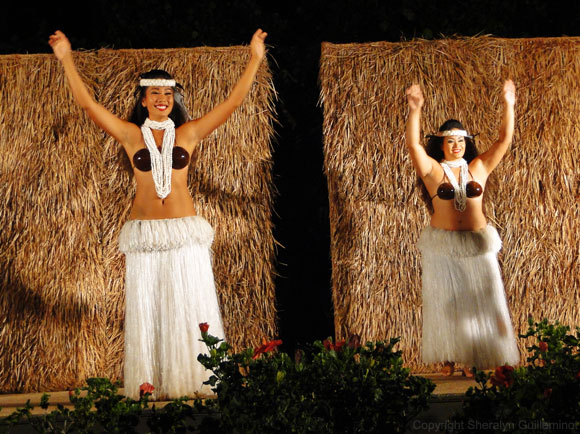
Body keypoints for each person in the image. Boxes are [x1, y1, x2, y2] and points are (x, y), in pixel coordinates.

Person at [49, 29, 267, 399]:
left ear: (173, 98)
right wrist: (67, 59)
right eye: (155, 93)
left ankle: (197, 380)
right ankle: (152, 384)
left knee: (190, 307)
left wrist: (255, 59)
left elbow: (233, 102)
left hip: (183, 233)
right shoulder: (131, 135)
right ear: (144, 99)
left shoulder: (189, 133)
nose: (163, 99)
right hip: (146, 234)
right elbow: (88, 106)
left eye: (168, 93)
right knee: (150, 311)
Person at [405, 81, 520, 376]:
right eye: (450, 141)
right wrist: (415, 109)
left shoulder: (479, 167)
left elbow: (505, 140)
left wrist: (509, 103)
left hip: (477, 243)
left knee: (481, 299)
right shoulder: (432, 170)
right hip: (442, 245)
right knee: (446, 299)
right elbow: (414, 145)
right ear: (441, 144)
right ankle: (448, 357)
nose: (457, 145)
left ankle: (474, 357)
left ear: (467, 143)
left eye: (461, 141)